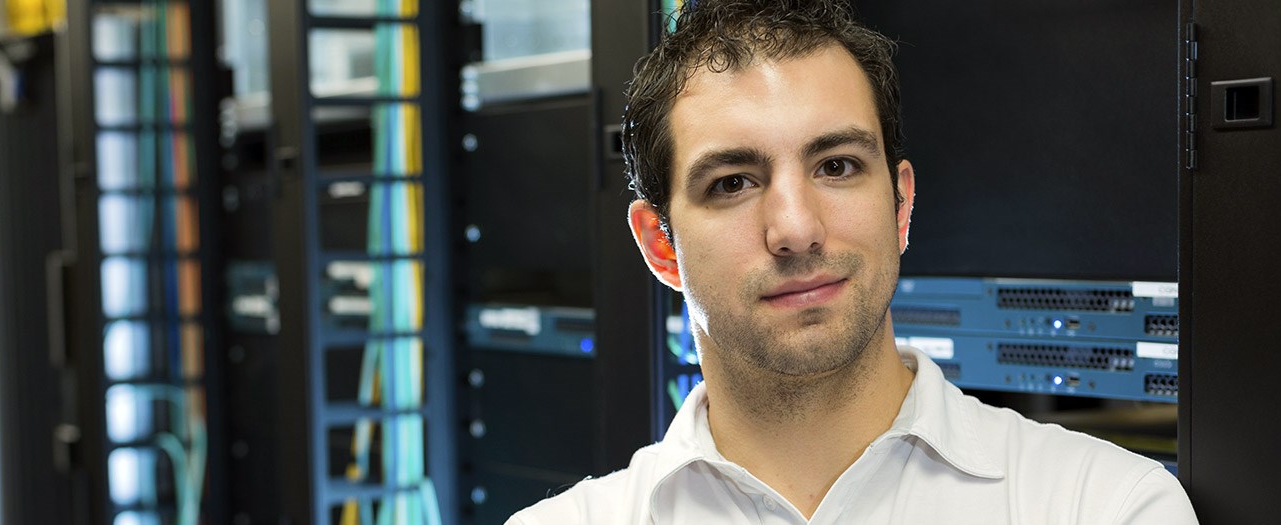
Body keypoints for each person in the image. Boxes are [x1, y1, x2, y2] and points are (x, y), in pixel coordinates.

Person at [508, 0, 1200, 523]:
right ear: (661, 243)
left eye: (836, 165)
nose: (797, 229)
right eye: (732, 182)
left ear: (900, 206)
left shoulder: (1103, 506)